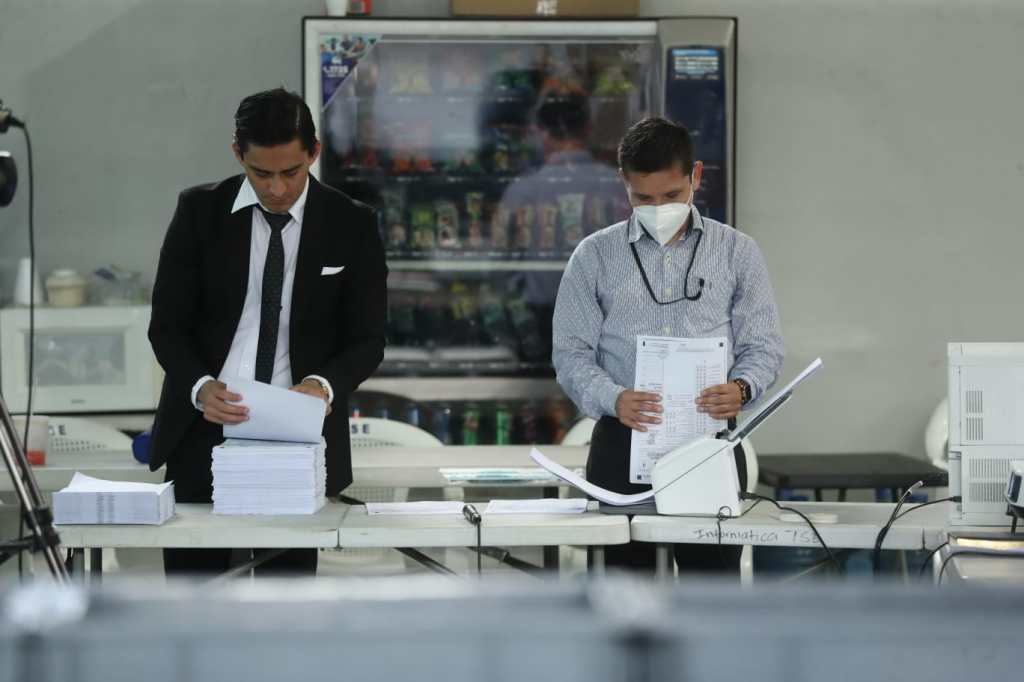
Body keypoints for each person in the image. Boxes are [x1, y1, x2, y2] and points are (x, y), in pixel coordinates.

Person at [148, 87, 387, 576]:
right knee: (195, 597)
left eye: (291, 172)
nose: (277, 189)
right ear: (238, 154)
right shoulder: (198, 212)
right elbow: (166, 327)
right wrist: (199, 386)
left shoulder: (351, 223)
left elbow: (368, 339)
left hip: (298, 440)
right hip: (203, 431)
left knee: (287, 600)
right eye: (261, 173)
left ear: (314, 153)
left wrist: (322, 386)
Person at [552, 117, 783, 575]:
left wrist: (742, 387)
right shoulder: (594, 256)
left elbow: (764, 347)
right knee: (622, 590)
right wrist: (612, 397)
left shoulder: (737, 252)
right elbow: (570, 353)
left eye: (672, 195)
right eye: (643, 198)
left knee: (710, 590)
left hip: (708, 442)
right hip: (622, 440)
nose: (658, 208)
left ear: (695, 176)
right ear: (624, 183)